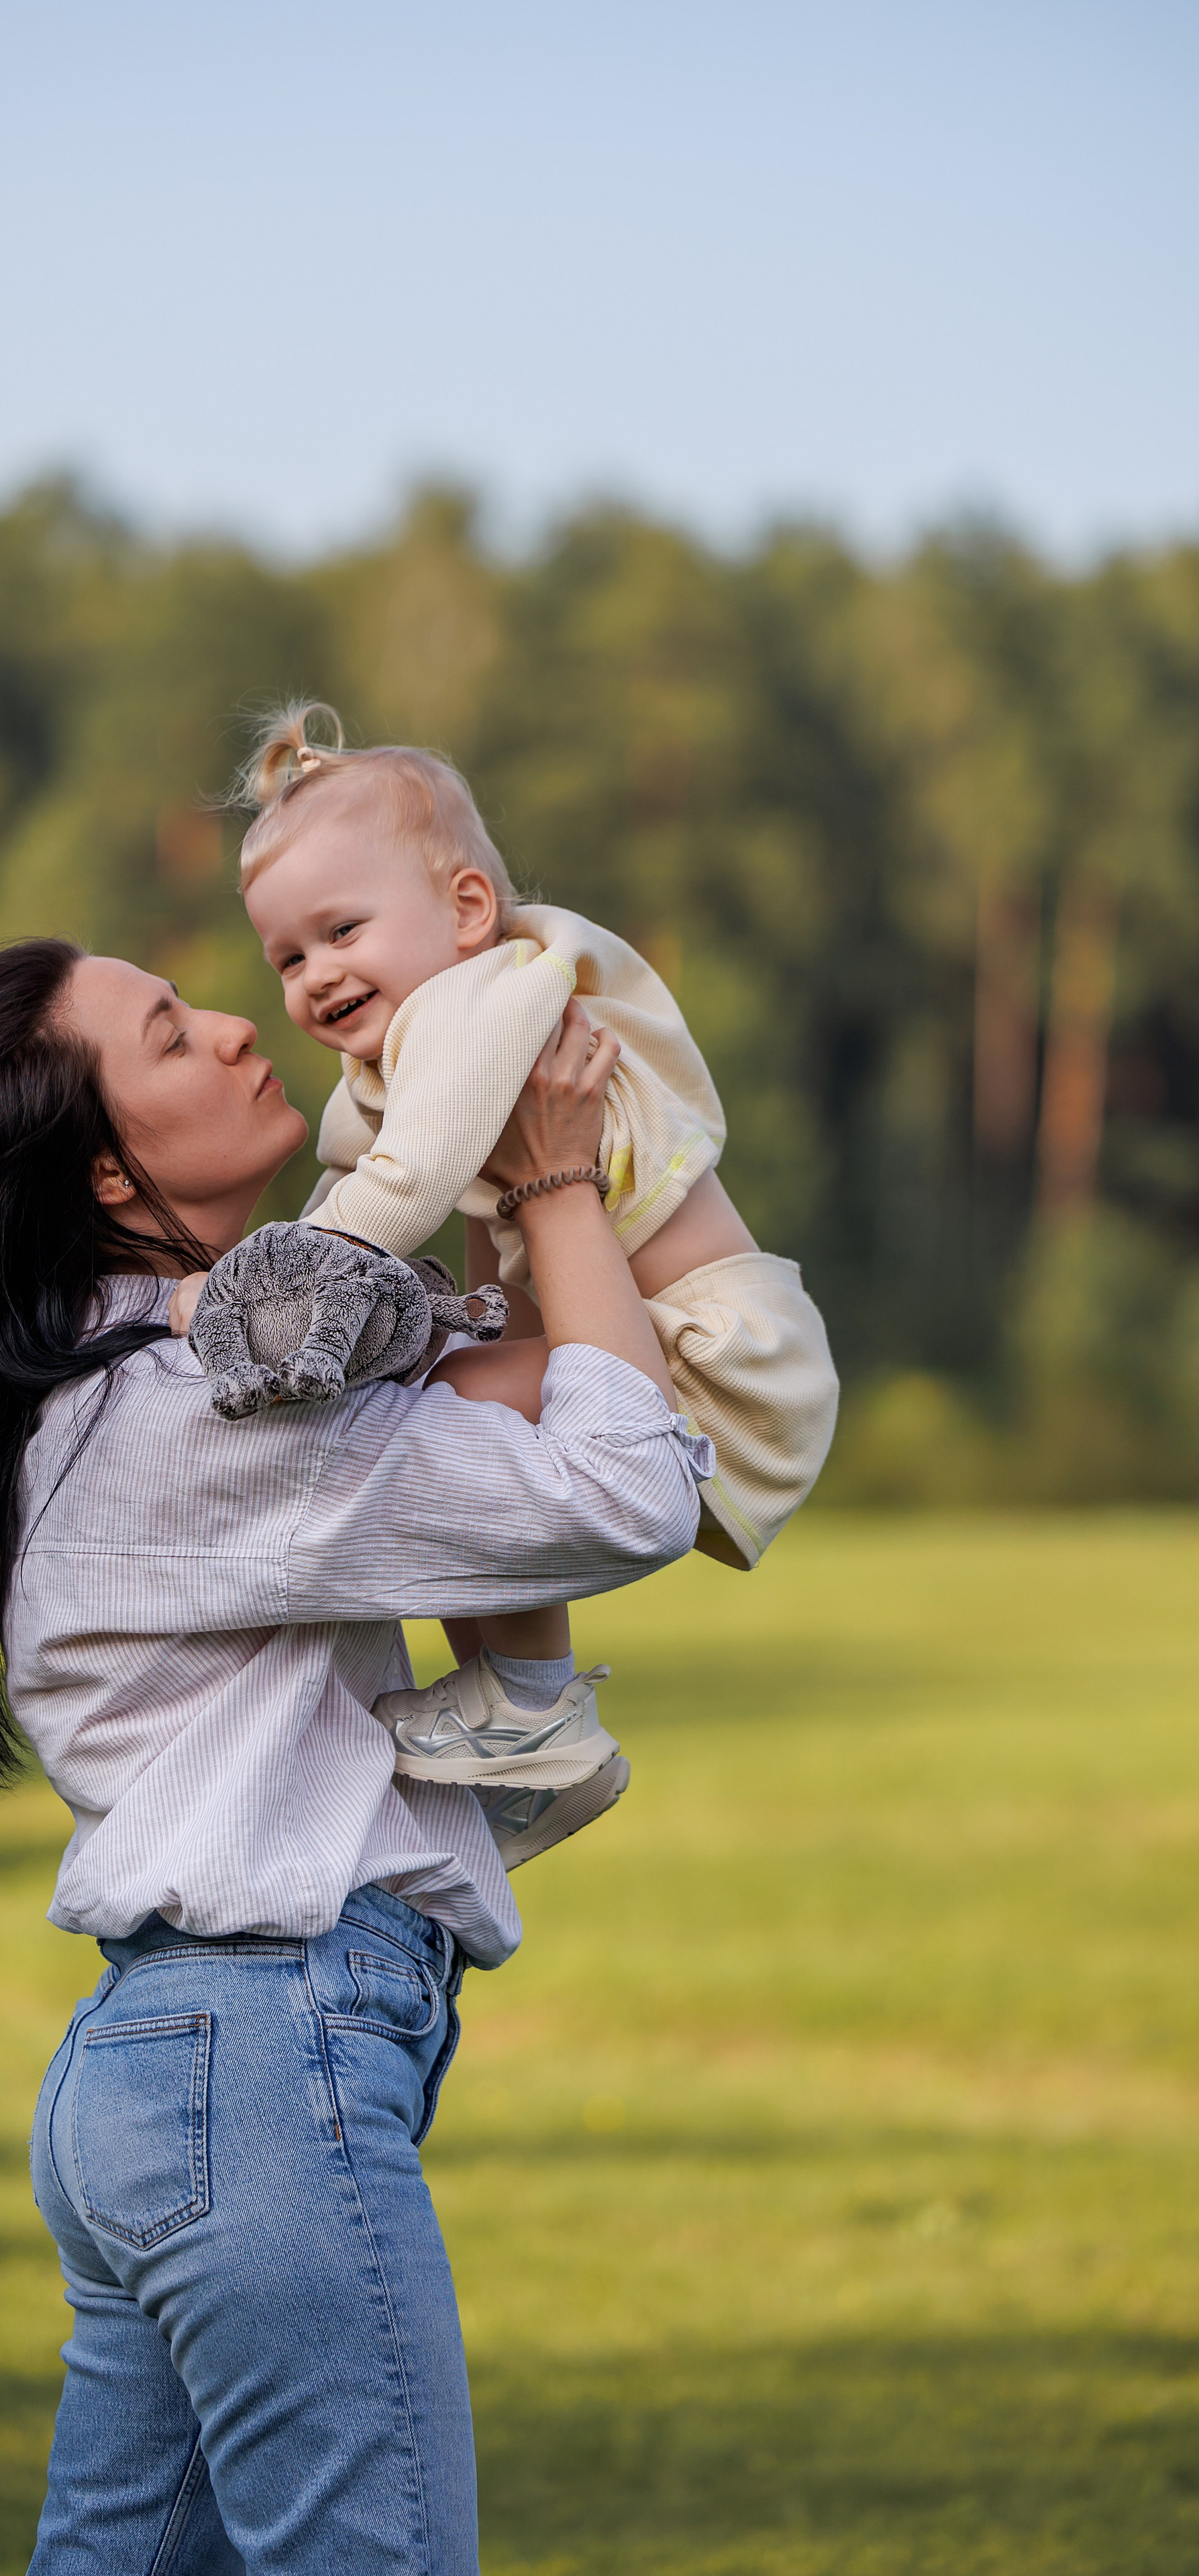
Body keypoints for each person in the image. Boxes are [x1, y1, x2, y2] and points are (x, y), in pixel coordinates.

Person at [0, 934, 707, 2575]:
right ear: (104, 1167)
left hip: (168, 2078)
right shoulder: (195, 1417)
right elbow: (623, 1498)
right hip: (261, 2064)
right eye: (167, 1033)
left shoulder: (105, 1386)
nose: (231, 1024)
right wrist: (562, 1181)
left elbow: (479, 1390)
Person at [221, 702, 838, 1798]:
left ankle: (533, 1704)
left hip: (717, 1354)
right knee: (423, 1406)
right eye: (288, 955)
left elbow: (403, 1184)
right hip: (664, 1347)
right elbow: (347, 1190)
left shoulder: (487, 997)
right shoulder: (411, 1039)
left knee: (433, 1407)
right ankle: (516, 1715)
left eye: (343, 931)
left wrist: (261, 1305)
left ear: (467, 908)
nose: (315, 975)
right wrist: (286, 1288)